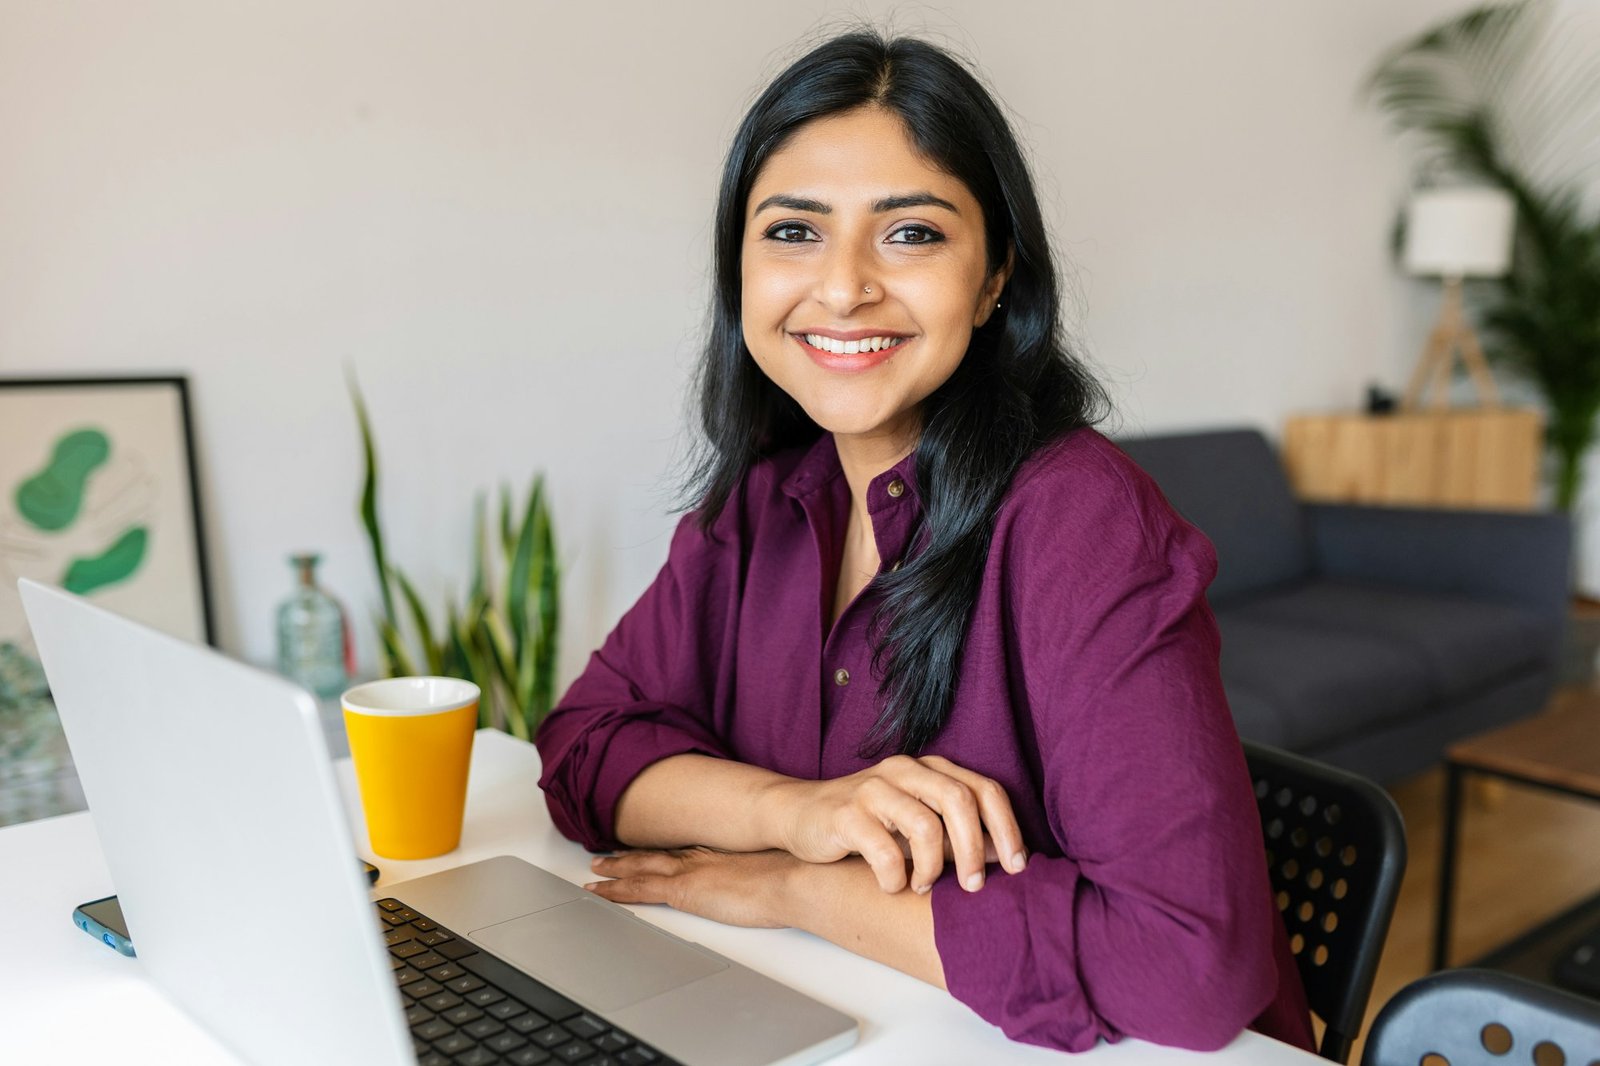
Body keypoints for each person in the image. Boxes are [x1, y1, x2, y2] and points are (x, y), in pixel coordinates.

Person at [534, 29, 1315, 1054]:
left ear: (994, 281)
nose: (845, 285)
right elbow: (583, 747)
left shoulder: (1081, 520)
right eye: (792, 232)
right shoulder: (762, 499)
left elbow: (1182, 969)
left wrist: (799, 889)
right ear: (739, 273)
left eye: (909, 234)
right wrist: (798, 812)